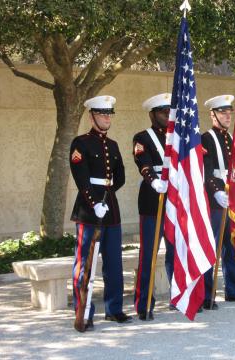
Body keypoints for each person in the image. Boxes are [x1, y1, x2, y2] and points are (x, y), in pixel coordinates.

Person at [70, 95, 132, 332]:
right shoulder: (81, 143)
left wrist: (107, 195)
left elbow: (120, 176)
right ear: (91, 116)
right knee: (85, 263)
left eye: (109, 114)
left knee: (114, 263)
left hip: (110, 210)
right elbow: (81, 177)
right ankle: (83, 312)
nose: (107, 117)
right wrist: (95, 201)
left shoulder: (113, 145)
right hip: (89, 211)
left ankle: (114, 309)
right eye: (102, 114)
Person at [201, 95, 235, 309]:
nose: (227, 116)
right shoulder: (206, 138)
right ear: (212, 115)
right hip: (216, 200)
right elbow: (206, 168)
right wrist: (215, 192)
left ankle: (233, 290)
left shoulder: (233, 139)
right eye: (223, 112)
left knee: (231, 247)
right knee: (211, 248)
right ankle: (207, 293)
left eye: (229, 112)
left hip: (232, 200)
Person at [132, 93, 174, 320]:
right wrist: (153, 179)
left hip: (175, 198)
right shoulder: (142, 137)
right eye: (162, 112)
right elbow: (143, 163)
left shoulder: (176, 136)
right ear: (152, 114)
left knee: (176, 252)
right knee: (149, 253)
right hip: (152, 198)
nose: (167, 116)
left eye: (169, 112)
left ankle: (178, 296)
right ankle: (144, 302)